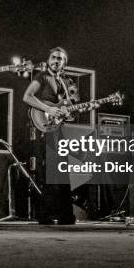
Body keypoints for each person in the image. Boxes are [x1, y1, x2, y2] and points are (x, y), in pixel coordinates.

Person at [23, 47, 80, 225]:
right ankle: (45, 214)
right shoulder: (42, 77)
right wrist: (48, 109)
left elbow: (71, 110)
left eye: (60, 59)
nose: (56, 61)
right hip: (44, 128)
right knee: (46, 171)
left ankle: (65, 214)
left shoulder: (67, 81)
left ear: (64, 63)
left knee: (62, 169)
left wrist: (68, 110)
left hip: (59, 129)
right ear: (49, 59)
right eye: (53, 57)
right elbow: (27, 96)